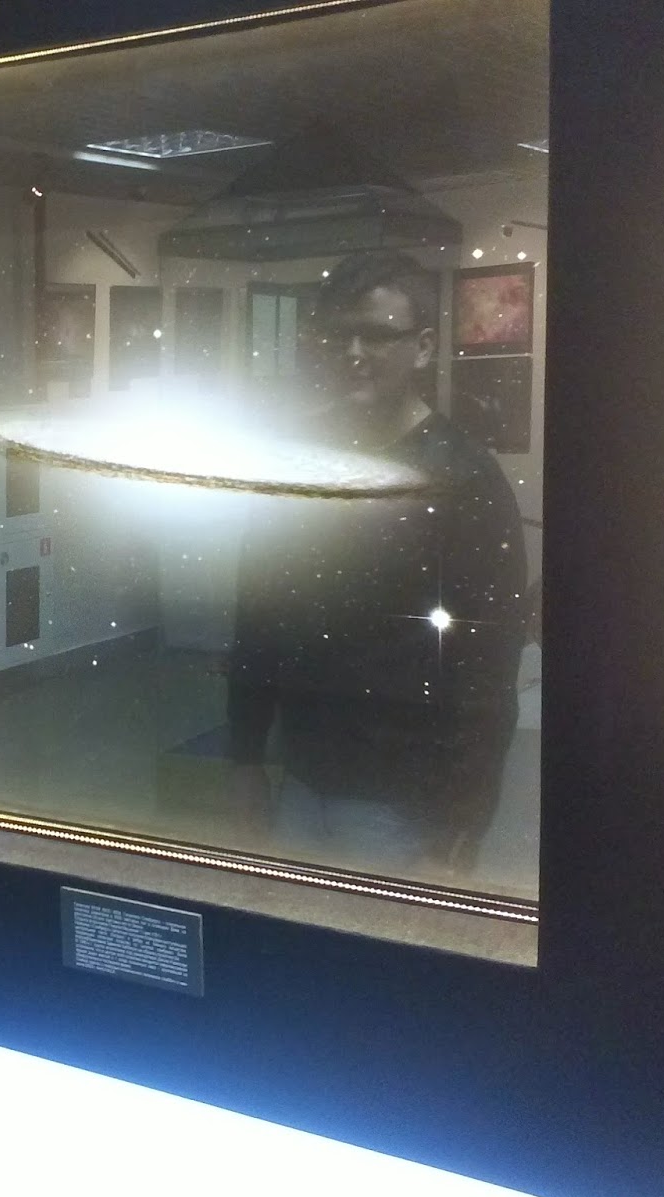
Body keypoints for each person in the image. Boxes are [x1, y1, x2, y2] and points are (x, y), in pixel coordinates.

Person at [226, 250, 526, 875]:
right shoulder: (299, 456)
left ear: (422, 347)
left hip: (401, 797)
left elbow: (487, 657)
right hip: (302, 773)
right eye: (341, 335)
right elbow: (259, 612)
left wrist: (466, 814)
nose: (354, 352)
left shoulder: (464, 476)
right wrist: (245, 756)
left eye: (377, 335)